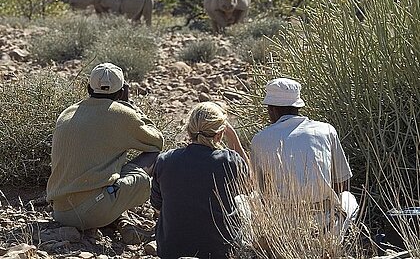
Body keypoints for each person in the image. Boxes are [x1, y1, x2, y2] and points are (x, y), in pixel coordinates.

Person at [46, 62, 164, 244]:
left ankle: (120, 219)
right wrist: (129, 106)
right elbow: (157, 142)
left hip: (60, 212)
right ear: (122, 91)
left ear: (88, 87)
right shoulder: (121, 113)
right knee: (153, 156)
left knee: (107, 173)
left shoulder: (67, 113)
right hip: (92, 212)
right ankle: (124, 217)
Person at [251, 78, 358, 236]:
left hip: (284, 224)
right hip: (325, 224)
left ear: (271, 109)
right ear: (297, 106)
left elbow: (261, 191)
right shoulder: (326, 130)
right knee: (348, 199)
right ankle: (333, 242)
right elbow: (342, 183)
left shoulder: (260, 139)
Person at [150, 101, 249, 259]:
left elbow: (157, 205)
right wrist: (232, 135)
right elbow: (249, 182)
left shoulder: (165, 160)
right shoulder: (230, 161)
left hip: (171, 252)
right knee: (244, 202)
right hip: (220, 253)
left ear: (189, 130)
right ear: (219, 134)